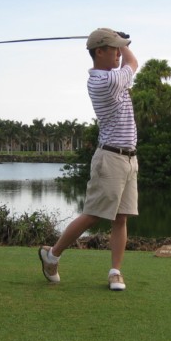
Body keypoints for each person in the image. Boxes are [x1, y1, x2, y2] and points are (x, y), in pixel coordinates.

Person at [38, 28, 139, 291]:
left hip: (129, 158)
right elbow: (133, 62)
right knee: (93, 214)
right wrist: (125, 40)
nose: (118, 53)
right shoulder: (105, 81)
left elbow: (126, 62)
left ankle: (115, 272)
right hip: (111, 158)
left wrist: (117, 38)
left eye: (119, 48)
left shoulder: (109, 76)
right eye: (114, 48)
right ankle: (53, 254)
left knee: (121, 218)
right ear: (99, 52)